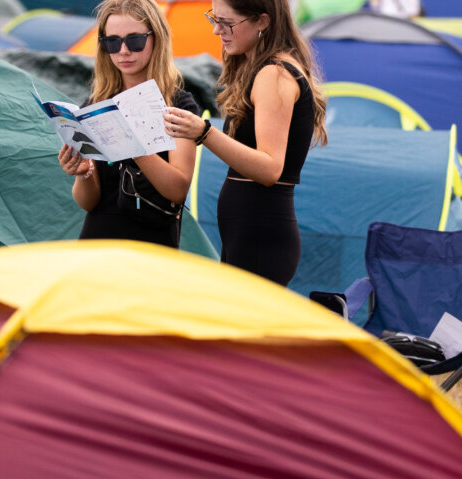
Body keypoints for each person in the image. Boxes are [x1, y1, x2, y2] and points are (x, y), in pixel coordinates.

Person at [163, 0, 327, 285]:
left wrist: (204, 133)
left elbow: (270, 168)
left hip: (261, 238)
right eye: (214, 18)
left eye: (227, 23)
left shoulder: (274, 74)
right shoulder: (262, 69)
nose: (216, 30)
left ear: (262, 21)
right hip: (250, 234)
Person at [58, 0, 200, 249]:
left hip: (151, 247)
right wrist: (84, 173)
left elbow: (177, 190)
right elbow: (89, 203)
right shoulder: (95, 103)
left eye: (134, 41)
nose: (123, 51)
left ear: (156, 38)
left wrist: (129, 144)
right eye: (112, 42)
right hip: (97, 245)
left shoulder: (177, 105)